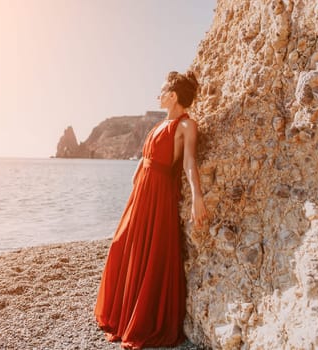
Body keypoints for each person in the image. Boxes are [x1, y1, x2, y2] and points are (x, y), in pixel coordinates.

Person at [94, 71, 208, 349]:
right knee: (123, 244)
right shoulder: (158, 125)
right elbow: (144, 159)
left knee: (151, 251)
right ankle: (121, 313)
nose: (157, 96)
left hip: (159, 193)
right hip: (142, 192)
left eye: (161, 92)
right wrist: (134, 190)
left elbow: (189, 163)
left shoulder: (186, 126)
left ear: (172, 96)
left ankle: (141, 319)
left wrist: (197, 197)